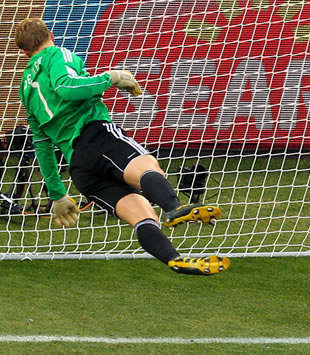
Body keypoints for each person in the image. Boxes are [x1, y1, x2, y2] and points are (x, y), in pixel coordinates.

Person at [15, 18, 230, 276]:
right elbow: (66, 88)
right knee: (147, 166)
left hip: (80, 169)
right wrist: (112, 77)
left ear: (25, 52)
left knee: (142, 215)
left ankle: (174, 259)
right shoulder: (56, 54)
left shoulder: (25, 88)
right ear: (50, 34)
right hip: (96, 135)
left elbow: (41, 144)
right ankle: (173, 207)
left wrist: (57, 194)